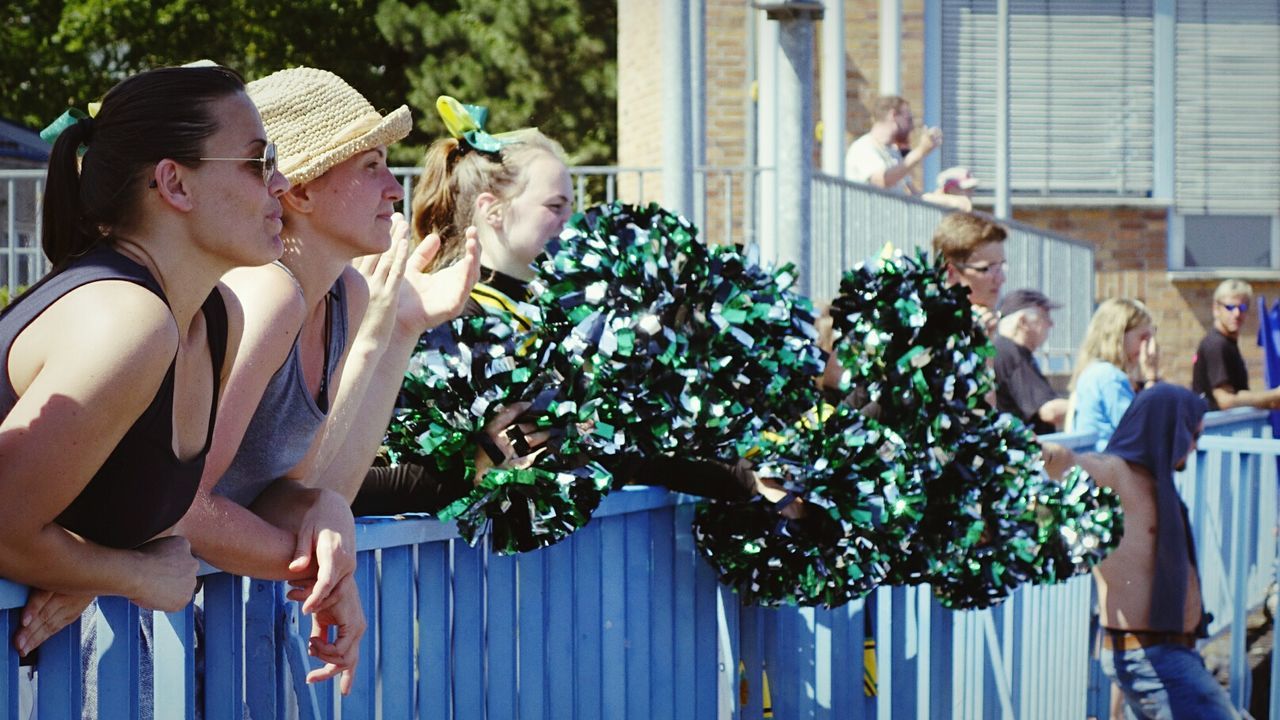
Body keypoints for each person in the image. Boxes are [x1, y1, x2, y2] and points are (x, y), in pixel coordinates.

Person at [171, 67, 479, 694]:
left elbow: (296, 487)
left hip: (216, 630)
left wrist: (327, 510)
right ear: (300, 192)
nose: (396, 189)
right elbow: (181, 505)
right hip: (149, 645)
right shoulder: (267, 297)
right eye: (370, 165)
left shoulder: (344, 293)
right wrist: (327, 572)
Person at [352, 97, 763, 517]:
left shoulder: (561, 318)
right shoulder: (447, 318)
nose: (570, 222)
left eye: (571, 207)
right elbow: (405, 470)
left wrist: (744, 477)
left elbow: (616, 451)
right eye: (555, 207)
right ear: (492, 209)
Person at [0, 64, 285, 656]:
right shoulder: (126, 322)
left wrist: (99, 561)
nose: (280, 183)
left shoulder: (216, 316)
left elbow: (134, 505)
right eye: (260, 161)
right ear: (174, 184)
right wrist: (132, 575)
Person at [1043, 385, 1239, 719]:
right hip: (1150, 654)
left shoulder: (1156, 481)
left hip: (1168, 651)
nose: (1194, 447)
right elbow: (1071, 463)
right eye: (1192, 435)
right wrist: (1043, 452)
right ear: (1169, 429)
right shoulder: (1118, 473)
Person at [1068, 298, 1159, 450]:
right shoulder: (1109, 377)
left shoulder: (1094, 371)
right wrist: (1151, 377)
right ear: (1119, 335)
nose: (1150, 347)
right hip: (1106, 467)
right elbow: (1143, 431)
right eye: (1143, 337)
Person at [1191, 279, 1280, 410]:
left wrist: (1271, 401)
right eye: (1230, 307)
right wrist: (1274, 395)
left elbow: (1239, 394)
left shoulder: (1228, 343)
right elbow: (1225, 401)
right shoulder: (1216, 345)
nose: (1237, 314)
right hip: (1215, 428)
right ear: (1216, 308)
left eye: (1242, 307)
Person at [993, 289, 1068, 433]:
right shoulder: (1012, 353)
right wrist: (1092, 403)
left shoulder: (1003, 349)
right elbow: (1050, 411)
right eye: (1044, 316)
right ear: (1023, 322)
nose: (1051, 324)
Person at [845, 95, 942, 195]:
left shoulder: (893, 152)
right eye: (908, 120)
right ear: (893, 115)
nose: (911, 127)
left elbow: (912, 195)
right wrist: (921, 151)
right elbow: (882, 181)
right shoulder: (863, 147)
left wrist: (941, 197)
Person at [931, 211, 1008, 334]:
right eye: (987, 268)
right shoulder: (926, 330)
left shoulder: (984, 324)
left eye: (1001, 267)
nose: (1001, 278)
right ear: (951, 272)